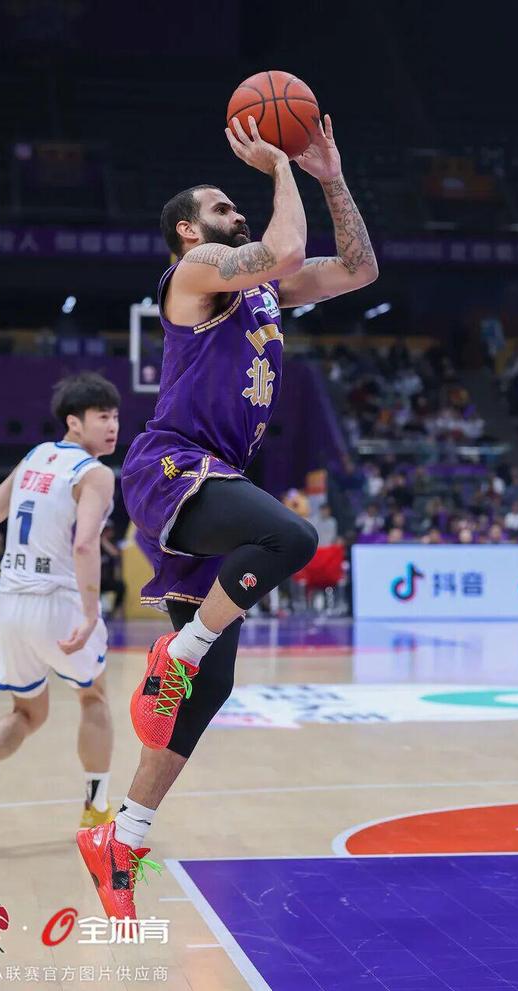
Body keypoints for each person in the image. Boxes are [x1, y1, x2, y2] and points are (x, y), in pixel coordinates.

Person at [76, 112, 378, 919]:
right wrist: (280, 168)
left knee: (211, 689)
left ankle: (122, 836)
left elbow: (358, 269)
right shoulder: (198, 268)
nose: (234, 212)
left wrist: (330, 176)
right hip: (173, 464)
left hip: (216, 477)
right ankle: (176, 651)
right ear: (188, 228)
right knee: (292, 535)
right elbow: (281, 250)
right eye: (220, 205)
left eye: (236, 205)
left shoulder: (264, 291)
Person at [0, 373, 119, 832]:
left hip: (11, 607)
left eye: (115, 417)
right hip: (58, 601)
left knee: (27, 713)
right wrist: (90, 614)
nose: (112, 426)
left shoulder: (34, 458)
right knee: (93, 697)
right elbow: (85, 545)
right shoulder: (95, 473)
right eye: (102, 417)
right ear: (74, 422)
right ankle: (96, 809)